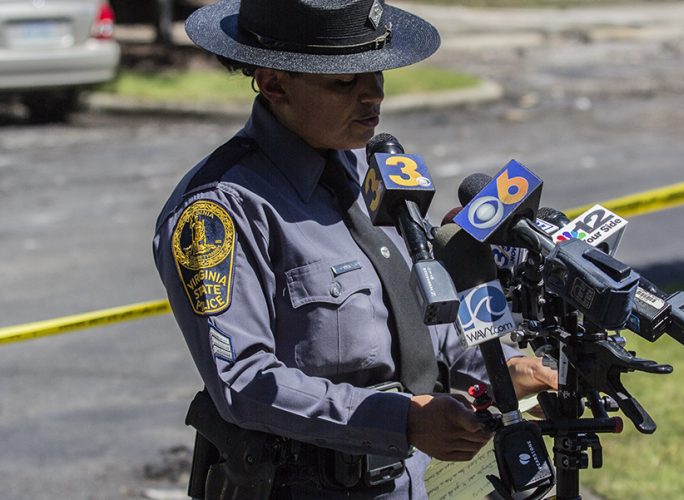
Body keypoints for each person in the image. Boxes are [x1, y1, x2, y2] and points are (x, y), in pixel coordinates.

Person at [152, 0, 557, 497]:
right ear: (275, 83)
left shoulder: (369, 172)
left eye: (377, 73)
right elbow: (244, 381)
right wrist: (402, 421)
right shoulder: (218, 211)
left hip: (405, 482)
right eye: (344, 82)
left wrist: (499, 368)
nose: (373, 97)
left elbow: (419, 313)